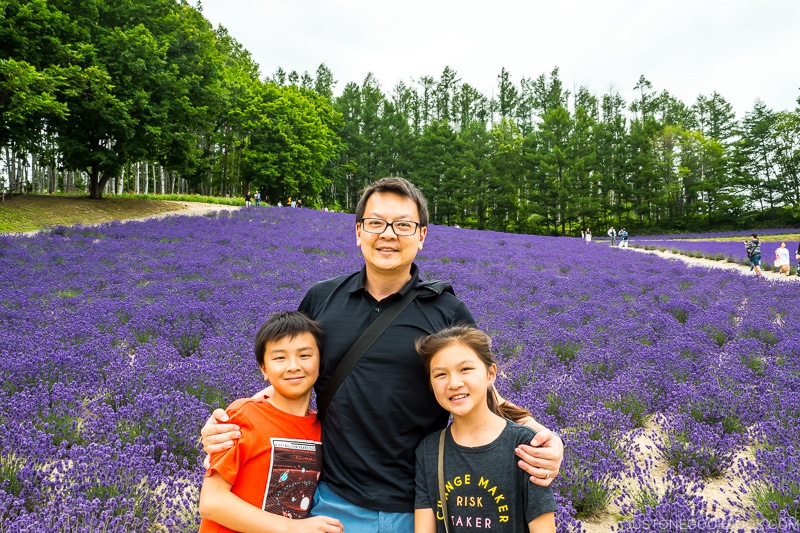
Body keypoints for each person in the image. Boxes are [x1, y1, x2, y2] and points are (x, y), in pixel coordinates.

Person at [201, 177, 564, 533]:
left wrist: (539, 435)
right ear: (358, 231)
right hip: (331, 505)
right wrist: (231, 422)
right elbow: (294, 373)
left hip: (418, 507)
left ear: (421, 236)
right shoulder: (321, 299)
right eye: (375, 223)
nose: (387, 234)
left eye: (403, 225)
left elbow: (475, 384)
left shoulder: (446, 310)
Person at [198, 311, 343, 533]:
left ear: (321, 362)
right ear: (263, 368)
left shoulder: (321, 426)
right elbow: (212, 503)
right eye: (279, 358)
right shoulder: (243, 416)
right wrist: (292, 528)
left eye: (304, 355)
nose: (293, 366)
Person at [414, 326, 557, 533]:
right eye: (440, 375)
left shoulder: (524, 445)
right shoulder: (429, 450)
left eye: (465, 369)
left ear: (491, 374)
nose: (454, 383)